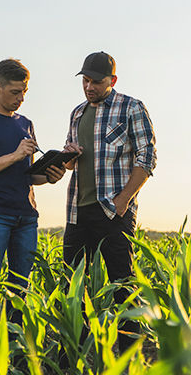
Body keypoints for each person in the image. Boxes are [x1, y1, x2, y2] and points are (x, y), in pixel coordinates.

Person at [61, 51, 157, 354]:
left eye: (96, 82)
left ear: (112, 81)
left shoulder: (131, 107)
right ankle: (74, 352)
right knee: (72, 285)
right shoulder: (77, 113)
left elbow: (148, 156)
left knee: (122, 284)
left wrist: (123, 200)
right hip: (78, 210)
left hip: (114, 211)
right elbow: (70, 166)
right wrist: (68, 156)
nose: (89, 87)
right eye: (85, 81)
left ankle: (130, 354)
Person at [0, 58, 66, 305]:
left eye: (24, 92)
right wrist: (16, 155)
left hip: (27, 216)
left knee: (21, 286)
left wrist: (50, 177)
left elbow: (28, 174)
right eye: (15, 92)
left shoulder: (26, 124)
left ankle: (16, 338)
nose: (21, 98)